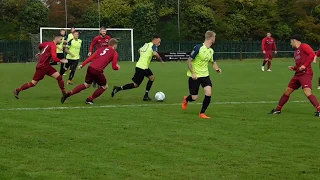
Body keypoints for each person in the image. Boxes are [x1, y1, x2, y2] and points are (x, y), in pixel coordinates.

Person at [269, 35, 320, 117]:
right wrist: (294, 68)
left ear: (294, 40)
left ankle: (319, 109)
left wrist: (304, 65)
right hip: (298, 74)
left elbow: (312, 55)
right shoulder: (296, 52)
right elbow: (299, 65)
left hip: (305, 73)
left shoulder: (304, 46)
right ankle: (277, 110)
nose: (290, 44)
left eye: (291, 42)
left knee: (307, 92)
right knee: (287, 91)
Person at [61, 38, 120, 105]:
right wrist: (118, 67)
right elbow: (114, 67)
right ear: (114, 46)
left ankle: (68, 94)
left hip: (90, 67)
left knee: (86, 84)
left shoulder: (101, 49)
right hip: (97, 71)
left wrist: (82, 65)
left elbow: (91, 57)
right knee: (104, 86)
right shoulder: (114, 53)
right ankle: (90, 99)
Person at [181, 31, 222, 119]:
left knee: (208, 93)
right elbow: (189, 61)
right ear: (212, 38)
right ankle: (186, 99)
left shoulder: (211, 51)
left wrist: (217, 68)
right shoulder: (198, 48)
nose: (215, 39)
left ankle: (202, 113)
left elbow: (213, 62)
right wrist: (193, 73)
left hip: (205, 75)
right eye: (214, 38)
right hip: (195, 76)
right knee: (194, 97)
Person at [13, 34, 68, 99]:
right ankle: (17, 90)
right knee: (33, 83)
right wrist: (62, 60)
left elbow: (40, 45)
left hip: (47, 66)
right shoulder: (53, 46)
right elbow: (54, 58)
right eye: (61, 39)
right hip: (42, 67)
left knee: (59, 77)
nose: (61, 41)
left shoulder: (47, 43)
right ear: (56, 39)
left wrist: (40, 52)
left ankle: (64, 94)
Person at [111, 35, 164, 101]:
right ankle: (145, 95)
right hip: (143, 67)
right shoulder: (153, 46)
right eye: (159, 41)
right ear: (155, 40)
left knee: (140, 83)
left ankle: (118, 88)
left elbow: (139, 50)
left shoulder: (146, 44)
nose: (159, 43)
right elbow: (155, 54)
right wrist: (160, 60)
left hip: (140, 66)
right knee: (149, 79)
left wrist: (144, 56)